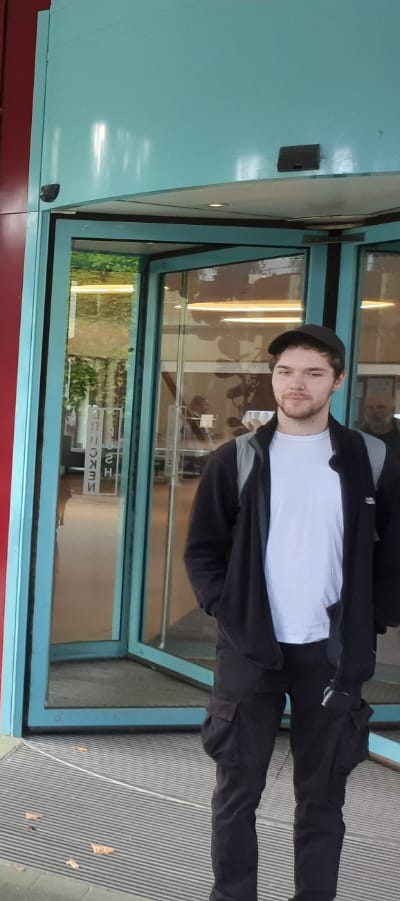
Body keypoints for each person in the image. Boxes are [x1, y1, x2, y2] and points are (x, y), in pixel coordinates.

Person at [185, 324, 400, 901]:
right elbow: (203, 550)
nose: (296, 384)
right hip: (251, 652)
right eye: (285, 371)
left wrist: (372, 619)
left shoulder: (372, 460)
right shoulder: (238, 459)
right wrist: (228, 610)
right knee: (236, 795)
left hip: (332, 656)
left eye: (312, 373)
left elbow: (393, 554)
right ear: (273, 378)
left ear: (337, 380)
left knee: (323, 798)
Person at [361, 386, 400, 453]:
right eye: (370, 407)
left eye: (381, 407)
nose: (375, 411)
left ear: (392, 410)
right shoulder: (358, 437)